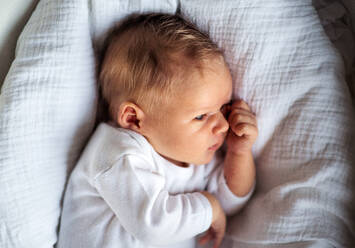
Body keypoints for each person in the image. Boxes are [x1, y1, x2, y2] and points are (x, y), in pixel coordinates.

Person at [57, 13, 258, 248]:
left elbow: (230, 203)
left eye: (223, 109)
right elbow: (152, 224)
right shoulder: (117, 152)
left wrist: (239, 152)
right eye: (201, 116)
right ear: (134, 119)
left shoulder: (193, 157)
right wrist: (209, 207)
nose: (223, 126)